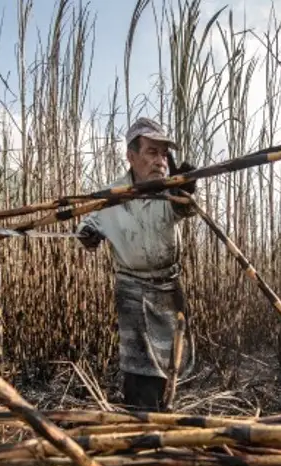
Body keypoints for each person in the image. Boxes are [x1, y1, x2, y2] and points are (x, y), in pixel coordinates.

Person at [75, 117, 197, 410]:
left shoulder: (170, 190)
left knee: (172, 359)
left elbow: (186, 210)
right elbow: (88, 224)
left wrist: (185, 192)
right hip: (132, 286)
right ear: (131, 157)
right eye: (152, 152)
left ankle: (164, 411)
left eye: (164, 154)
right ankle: (141, 416)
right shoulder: (112, 196)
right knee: (139, 363)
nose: (160, 161)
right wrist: (88, 234)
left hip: (168, 285)